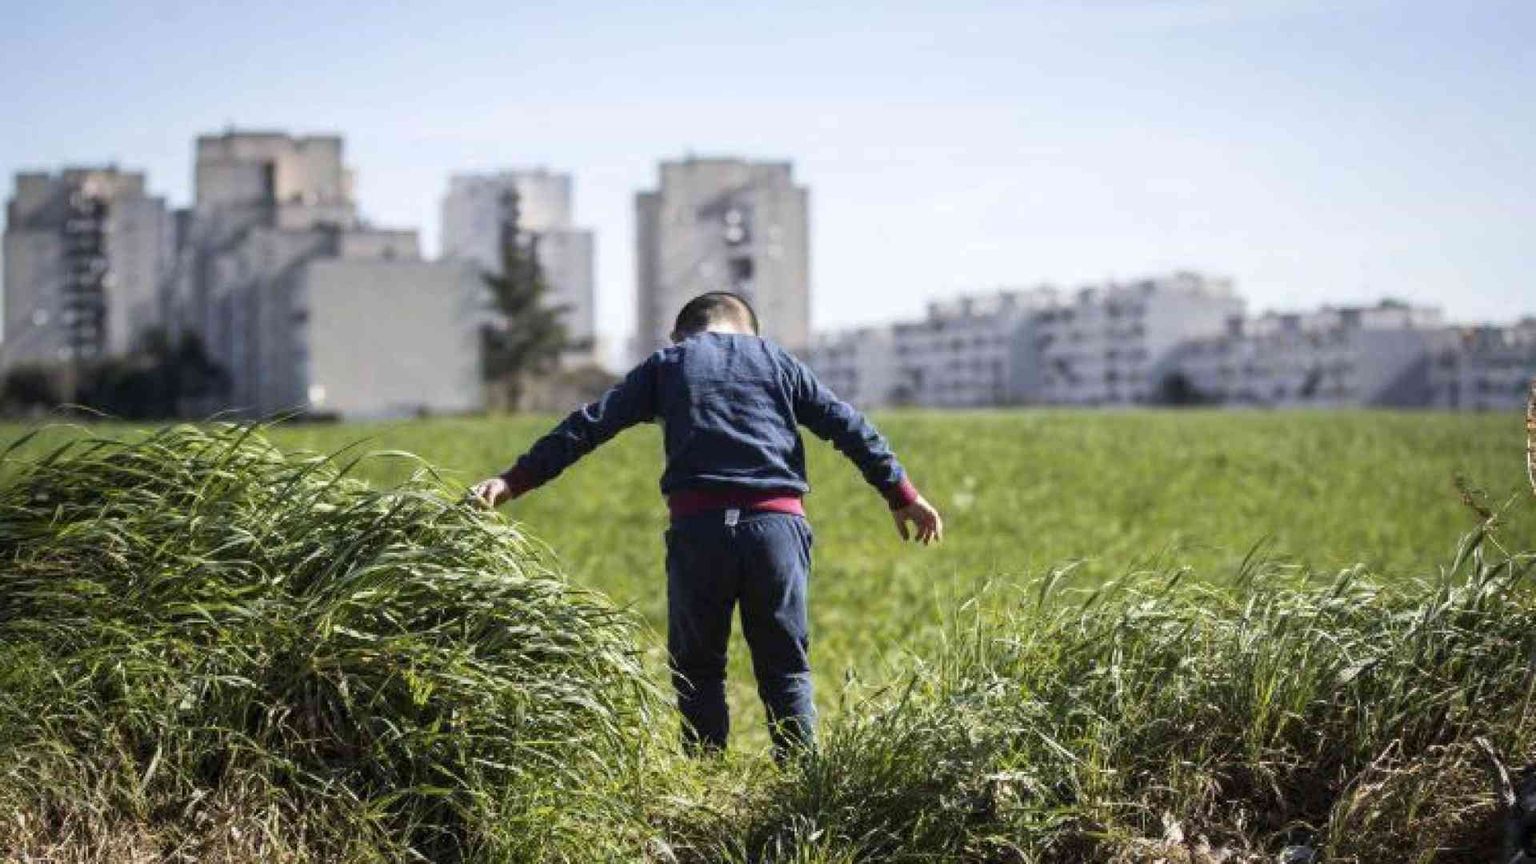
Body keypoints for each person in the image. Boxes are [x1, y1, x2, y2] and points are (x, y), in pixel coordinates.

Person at [471, 291, 942, 757]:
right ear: (751, 331)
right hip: (775, 531)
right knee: (786, 670)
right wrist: (902, 495)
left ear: (680, 334)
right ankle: (804, 787)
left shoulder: (669, 363)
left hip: (701, 533)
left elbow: (588, 425)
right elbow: (849, 426)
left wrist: (513, 482)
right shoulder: (777, 361)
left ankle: (704, 778)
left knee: (698, 671)